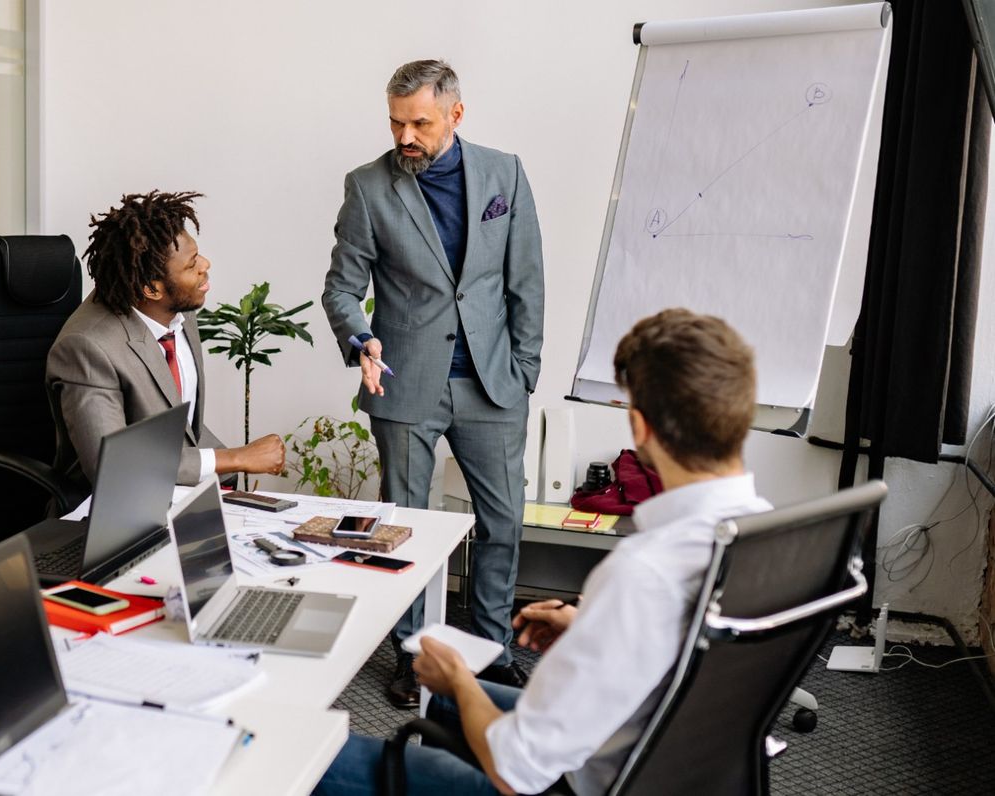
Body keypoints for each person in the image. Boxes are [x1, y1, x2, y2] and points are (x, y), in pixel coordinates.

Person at [313, 308, 771, 796]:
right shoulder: (770, 534)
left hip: (574, 780)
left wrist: (460, 679)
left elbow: (513, 771)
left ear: (639, 427)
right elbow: (699, 653)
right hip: (676, 760)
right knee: (445, 705)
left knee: (313, 749)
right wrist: (596, 631)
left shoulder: (641, 571)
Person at [322, 59, 545, 705]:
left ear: (456, 113)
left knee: (502, 523)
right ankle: (416, 655)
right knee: (410, 529)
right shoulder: (368, 187)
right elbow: (342, 286)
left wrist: (526, 369)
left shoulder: (505, 174)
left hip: (493, 382)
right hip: (405, 381)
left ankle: (493, 651)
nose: (405, 137)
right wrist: (360, 338)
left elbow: (525, 280)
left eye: (420, 122)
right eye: (396, 122)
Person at [48, 190, 286, 486]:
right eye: (191, 264)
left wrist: (229, 476)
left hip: (178, 495)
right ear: (151, 289)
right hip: (113, 511)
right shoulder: (88, 347)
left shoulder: (179, 310)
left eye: (198, 255)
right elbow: (111, 465)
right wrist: (237, 458)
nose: (206, 265)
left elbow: (185, 428)